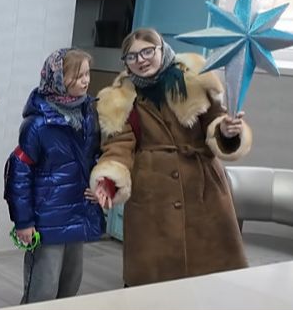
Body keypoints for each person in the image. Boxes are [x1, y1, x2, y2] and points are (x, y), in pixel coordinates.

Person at [91, 28, 251, 286]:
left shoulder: (195, 79)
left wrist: (226, 130)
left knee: (212, 275)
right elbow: (119, 145)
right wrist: (108, 180)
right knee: (154, 279)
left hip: (203, 189)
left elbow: (216, 120)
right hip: (153, 195)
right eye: (132, 56)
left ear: (162, 49)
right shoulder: (119, 99)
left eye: (147, 52)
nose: (141, 60)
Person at [4, 48, 103, 303]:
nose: (85, 81)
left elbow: (97, 157)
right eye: (78, 76)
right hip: (46, 219)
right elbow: (19, 174)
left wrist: (102, 185)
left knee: (71, 285)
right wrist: (24, 221)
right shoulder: (37, 124)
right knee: (43, 289)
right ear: (57, 78)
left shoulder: (89, 114)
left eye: (87, 74)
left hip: (78, 211)